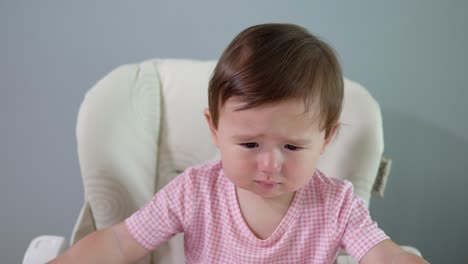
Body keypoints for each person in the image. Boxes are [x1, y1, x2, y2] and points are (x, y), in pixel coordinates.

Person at [49, 23, 428, 264]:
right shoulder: (195, 192)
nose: (269, 164)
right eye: (249, 144)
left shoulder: (336, 204)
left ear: (326, 139)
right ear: (214, 130)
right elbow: (119, 243)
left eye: (292, 148)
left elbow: (384, 254)